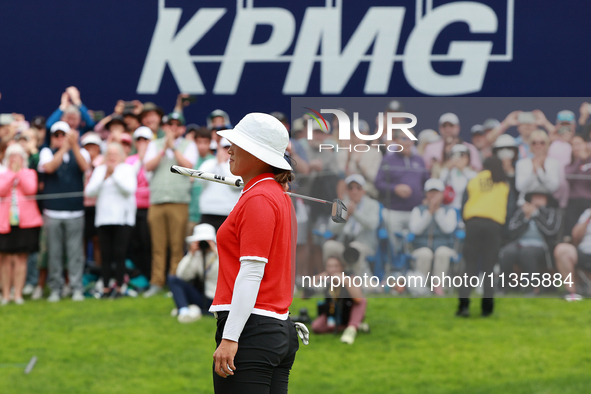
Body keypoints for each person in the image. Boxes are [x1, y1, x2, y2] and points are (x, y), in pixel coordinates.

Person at [209, 112, 299, 393]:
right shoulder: (273, 195)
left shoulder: (260, 198)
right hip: (273, 329)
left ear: (259, 155)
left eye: (238, 143)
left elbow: (252, 271)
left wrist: (230, 336)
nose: (229, 148)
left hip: (252, 331)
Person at [143, 114, 198, 297]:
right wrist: (162, 150)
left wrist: (173, 148)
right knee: (158, 246)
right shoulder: (154, 144)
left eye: (177, 125)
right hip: (157, 201)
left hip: (179, 201)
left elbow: (189, 166)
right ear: (164, 127)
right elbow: (148, 166)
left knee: (177, 245)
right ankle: (157, 282)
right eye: (170, 124)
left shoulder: (188, 145)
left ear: (182, 129)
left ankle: (174, 281)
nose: (173, 127)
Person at [38, 121, 90, 302]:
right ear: (52, 138)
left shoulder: (80, 152)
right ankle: (55, 289)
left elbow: (85, 167)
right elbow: (50, 167)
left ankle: (76, 288)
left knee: (76, 253)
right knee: (54, 254)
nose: (60, 139)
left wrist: (73, 146)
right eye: (57, 135)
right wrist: (64, 148)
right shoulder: (46, 152)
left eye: (64, 135)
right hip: (53, 212)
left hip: (75, 211)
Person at [458, 156, 509, 317]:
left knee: (469, 268)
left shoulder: (474, 180)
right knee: (488, 269)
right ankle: (487, 309)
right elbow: (509, 207)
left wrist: (468, 223)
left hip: (473, 224)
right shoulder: (503, 183)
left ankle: (463, 306)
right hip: (493, 226)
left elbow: (464, 203)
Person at [85, 143, 136, 298]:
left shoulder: (127, 169)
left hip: (123, 219)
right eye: (110, 153)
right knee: (105, 254)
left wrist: (113, 175)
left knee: (120, 253)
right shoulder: (100, 170)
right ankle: (106, 287)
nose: (112, 156)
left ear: (121, 155)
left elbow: (129, 190)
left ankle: (120, 286)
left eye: (116, 153)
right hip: (103, 219)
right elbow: (89, 192)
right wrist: (104, 176)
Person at [0, 144, 43, 305]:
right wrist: (12, 175)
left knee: (21, 258)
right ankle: (5, 294)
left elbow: (31, 189)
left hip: (25, 223)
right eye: (11, 156)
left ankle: (17, 293)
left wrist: (19, 174)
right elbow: (1, 190)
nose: (14, 159)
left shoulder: (30, 173)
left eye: (17, 156)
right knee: (4, 258)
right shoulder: (3, 174)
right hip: (4, 222)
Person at [375, 129, 428, 248]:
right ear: (396, 140)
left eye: (411, 139)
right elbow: (378, 183)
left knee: (414, 247)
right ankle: (394, 266)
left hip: (415, 212)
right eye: (404, 138)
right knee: (395, 247)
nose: (408, 142)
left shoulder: (419, 160)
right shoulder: (388, 160)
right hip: (394, 212)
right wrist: (395, 188)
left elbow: (426, 182)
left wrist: (425, 197)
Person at [499, 192, 561, 293]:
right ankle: (503, 286)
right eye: (535, 197)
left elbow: (551, 231)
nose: (537, 200)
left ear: (547, 200)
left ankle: (534, 287)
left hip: (541, 246)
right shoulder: (521, 212)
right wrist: (526, 218)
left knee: (527, 253)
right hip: (520, 244)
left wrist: (536, 214)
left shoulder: (551, 212)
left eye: (541, 197)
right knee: (507, 252)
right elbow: (511, 232)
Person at [322, 174, 380, 278]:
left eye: (358, 188)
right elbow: (332, 228)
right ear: (347, 190)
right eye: (351, 187)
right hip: (343, 243)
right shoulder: (340, 204)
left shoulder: (373, 204)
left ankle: (356, 283)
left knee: (355, 247)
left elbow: (373, 225)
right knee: (329, 246)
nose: (354, 191)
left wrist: (355, 213)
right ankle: (331, 281)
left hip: (364, 245)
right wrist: (346, 217)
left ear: (363, 190)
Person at [409, 178, 457, 296]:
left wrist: (438, 212)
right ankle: (420, 287)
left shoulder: (449, 211)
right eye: (431, 192)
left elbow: (448, 229)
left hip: (444, 246)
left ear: (442, 194)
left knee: (442, 253)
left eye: (437, 193)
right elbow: (415, 229)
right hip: (421, 246)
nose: (433, 195)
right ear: (426, 194)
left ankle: (438, 286)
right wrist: (429, 213)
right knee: (425, 254)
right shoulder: (418, 210)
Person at [311, 255, 368, 345]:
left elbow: (359, 299)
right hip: (332, 313)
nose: (333, 269)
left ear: (342, 267)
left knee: (363, 301)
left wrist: (345, 280)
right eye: (329, 266)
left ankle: (351, 329)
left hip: (349, 311)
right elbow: (304, 297)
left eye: (336, 266)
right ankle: (353, 326)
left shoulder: (349, 277)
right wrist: (316, 280)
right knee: (316, 327)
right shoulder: (325, 280)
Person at [168, 223, 219, 323]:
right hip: (202, 295)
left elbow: (227, 270)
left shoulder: (220, 255)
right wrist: (191, 254)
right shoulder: (197, 255)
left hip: (216, 299)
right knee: (172, 279)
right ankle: (184, 312)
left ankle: (192, 310)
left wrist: (216, 251)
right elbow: (181, 276)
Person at [125, 126, 153, 281]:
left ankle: (149, 277)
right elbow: (130, 178)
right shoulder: (130, 160)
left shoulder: (154, 158)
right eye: (139, 139)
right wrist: (140, 158)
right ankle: (138, 277)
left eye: (146, 139)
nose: (142, 143)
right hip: (133, 208)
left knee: (147, 243)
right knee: (134, 245)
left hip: (150, 207)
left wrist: (145, 159)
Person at [197, 138, 240, 231]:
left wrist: (222, 164)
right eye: (224, 148)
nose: (228, 151)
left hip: (228, 213)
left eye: (230, 147)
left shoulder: (239, 166)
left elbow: (237, 184)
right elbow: (200, 179)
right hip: (207, 211)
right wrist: (217, 162)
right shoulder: (209, 163)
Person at [515, 130, 562, 206]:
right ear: (530, 145)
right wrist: (533, 172)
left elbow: (554, 187)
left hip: (546, 205)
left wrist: (543, 171)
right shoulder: (522, 163)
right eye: (534, 143)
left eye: (542, 143)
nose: (538, 145)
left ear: (546, 144)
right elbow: (520, 187)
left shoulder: (554, 163)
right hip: (526, 205)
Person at [554, 208, 591, 301]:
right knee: (562, 249)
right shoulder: (587, 212)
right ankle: (571, 292)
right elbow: (575, 236)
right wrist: (588, 218)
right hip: (585, 253)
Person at [564, 135, 591, 238]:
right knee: (571, 234)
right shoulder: (568, 166)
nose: (576, 148)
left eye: (578, 144)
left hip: (589, 204)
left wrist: (587, 160)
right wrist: (580, 160)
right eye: (573, 145)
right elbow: (569, 178)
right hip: (573, 204)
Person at [188, 127, 215, 230]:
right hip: (190, 214)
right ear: (194, 142)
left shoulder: (214, 161)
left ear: (210, 143)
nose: (202, 146)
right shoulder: (189, 160)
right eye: (199, 142)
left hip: (209, 213)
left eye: (205, 142)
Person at [438, 144, 477, 210]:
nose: (459, 158)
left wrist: (462, 169)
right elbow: (440, 186)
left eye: (462, 155)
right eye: (456, 155)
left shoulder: (473, 174)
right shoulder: (446, 172)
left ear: (468, 158)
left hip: (467, 208)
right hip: (448, 209)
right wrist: (448, 168)